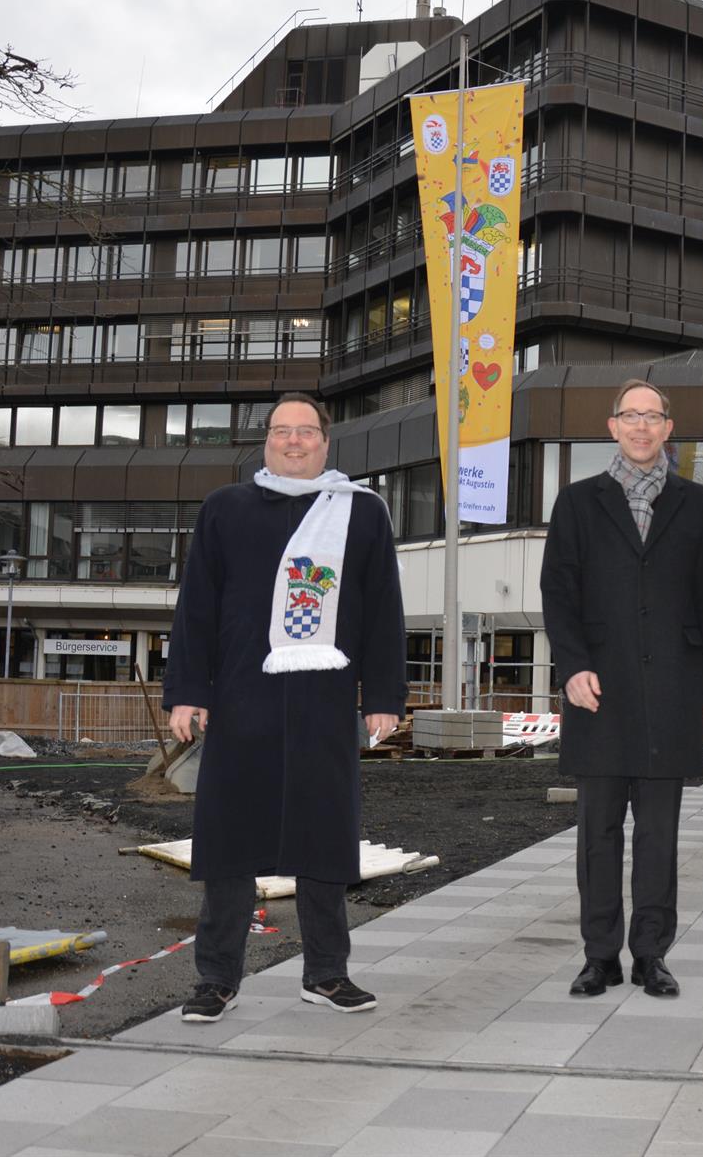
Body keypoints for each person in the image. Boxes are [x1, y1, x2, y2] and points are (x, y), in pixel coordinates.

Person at [162, 392, 406, 1022]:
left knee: (324, 838)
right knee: (230, 842)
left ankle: (326, 974)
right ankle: (217, 979)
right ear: (265, 442)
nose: (293, 441)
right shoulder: (225, 508)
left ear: (326, 442)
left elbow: (383, 610)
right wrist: (188, 689)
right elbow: (197, 607)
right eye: (280, 432)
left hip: (325, 700)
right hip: (241, 698)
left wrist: (382, 697)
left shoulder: (362, 512)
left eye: (305, 432)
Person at [540, 378, 703, 998]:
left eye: (653, 417)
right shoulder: (577, 502)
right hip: (600, 689)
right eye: (630, 416)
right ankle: (600, 956)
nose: (642, 427)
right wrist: (571, 667)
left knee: (658, 837)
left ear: (668, 428)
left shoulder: (698, 503)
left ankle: (650, 954)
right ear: (612, 425)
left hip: (673, 689)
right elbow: (557, 593)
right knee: (597, 835)